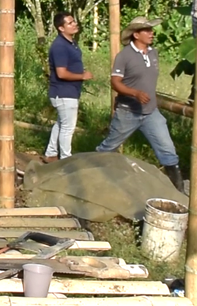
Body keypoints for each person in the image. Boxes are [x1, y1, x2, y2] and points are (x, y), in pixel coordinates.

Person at [96, 17, 184, 191]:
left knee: (168, 150)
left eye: (151, 30)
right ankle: (92, 174)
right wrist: (134, 93)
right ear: (136, 34)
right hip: (128, 112)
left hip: (151, 112)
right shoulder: (124, 56)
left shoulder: (154, 53)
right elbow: (115, 82)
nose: (152, 33)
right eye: (147, 30)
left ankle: (178, 191)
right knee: (109, 146)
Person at [44, 13, 93, 162]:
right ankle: (66, 159)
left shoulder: (71, 43)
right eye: (70, 23)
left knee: (61, 124)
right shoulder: (59, 46)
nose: (74, 24)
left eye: (74, 21)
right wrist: (82, 76)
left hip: (68, 92)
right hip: (64, 92)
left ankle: (51, 153)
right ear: (61, 28)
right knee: (68, 127)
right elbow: (61, 73)